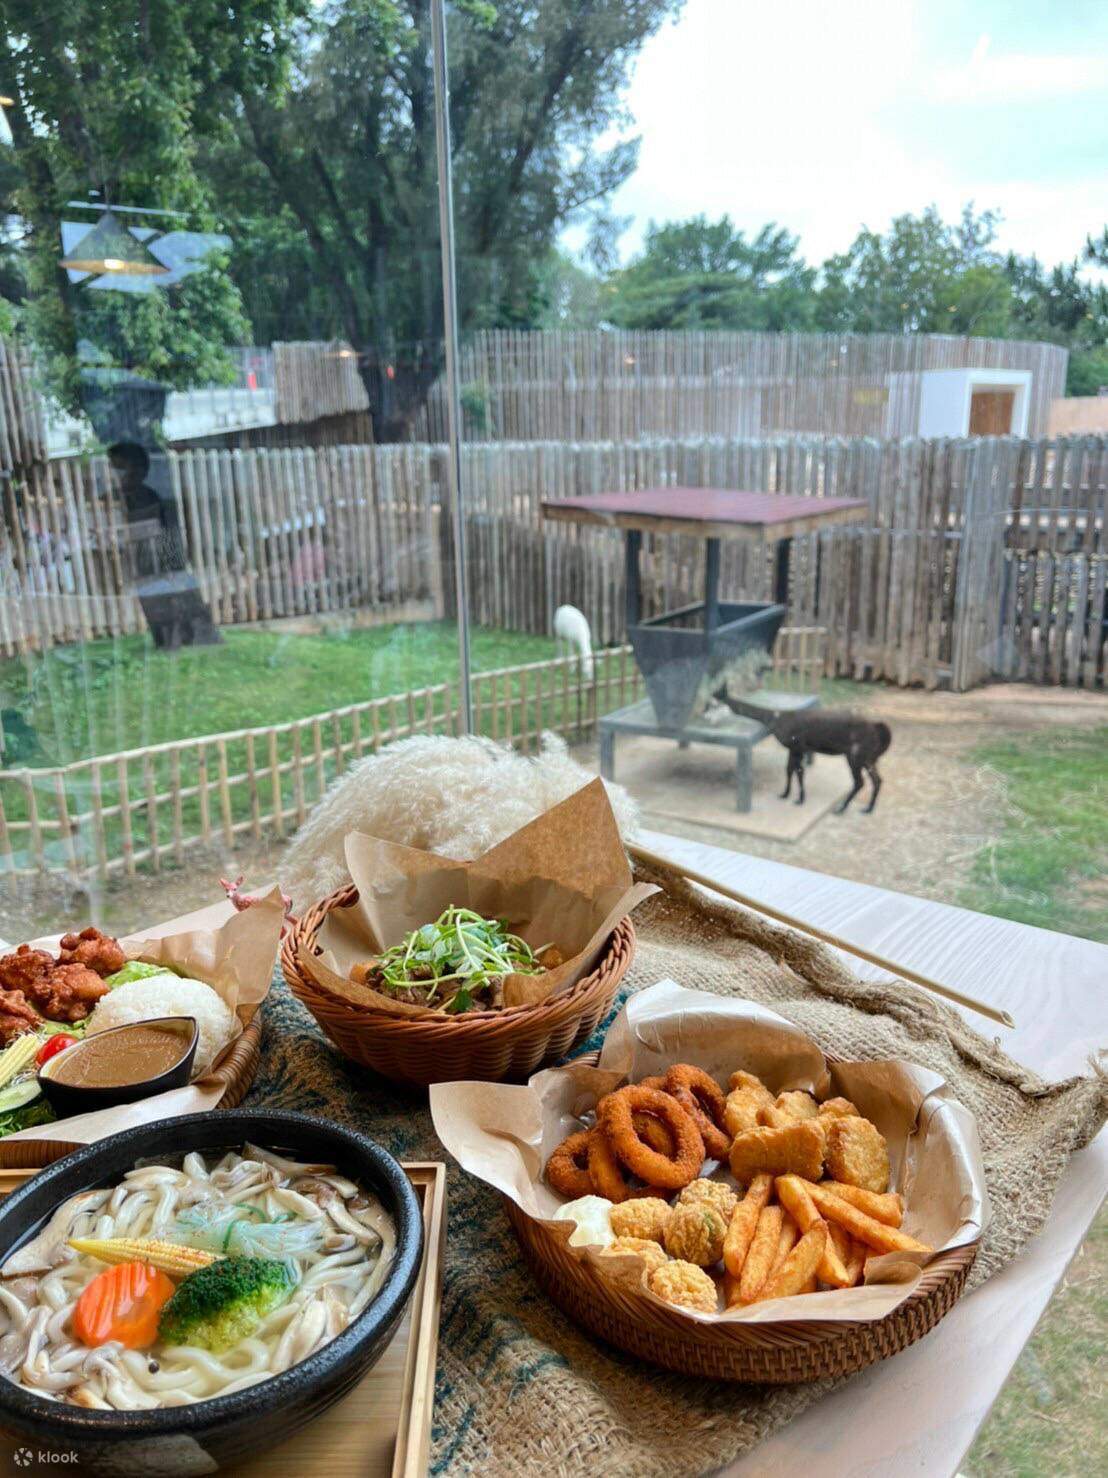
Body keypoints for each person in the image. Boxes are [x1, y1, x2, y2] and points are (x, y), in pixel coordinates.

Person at [106, 440, 220, 648]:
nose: (117, 475)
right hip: (141, 563)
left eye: (120, 469)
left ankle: (189, 638)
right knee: (154, 604)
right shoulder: (114, 499)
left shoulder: (148, 497)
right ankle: (169, 642)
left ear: (139, 470)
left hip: (155, 559)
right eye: (114, 469)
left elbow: (166, 531)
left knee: (169, 599)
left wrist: (173, 563)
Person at [107, 440, 186, 579]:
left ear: (140, 471)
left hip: (151, 572)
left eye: (120, 468)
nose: (113, 474)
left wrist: (174, 569)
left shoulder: (151, 499)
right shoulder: (105, 501)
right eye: (112, 467)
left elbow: (167, 537)